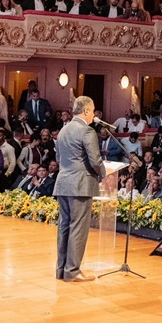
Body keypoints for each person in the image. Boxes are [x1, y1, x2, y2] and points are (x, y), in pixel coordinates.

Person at [53, 96, 105, 283]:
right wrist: (103, 173)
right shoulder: (87, 131)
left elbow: (59, 158)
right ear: (86, 111)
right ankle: (73, 271)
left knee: (65, 227)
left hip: (63, 183)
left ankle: (62, 270)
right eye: (92, 112)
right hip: (81, 185)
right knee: (78, 228)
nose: (93, 116)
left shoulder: (63, 130)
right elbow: (95, 161)